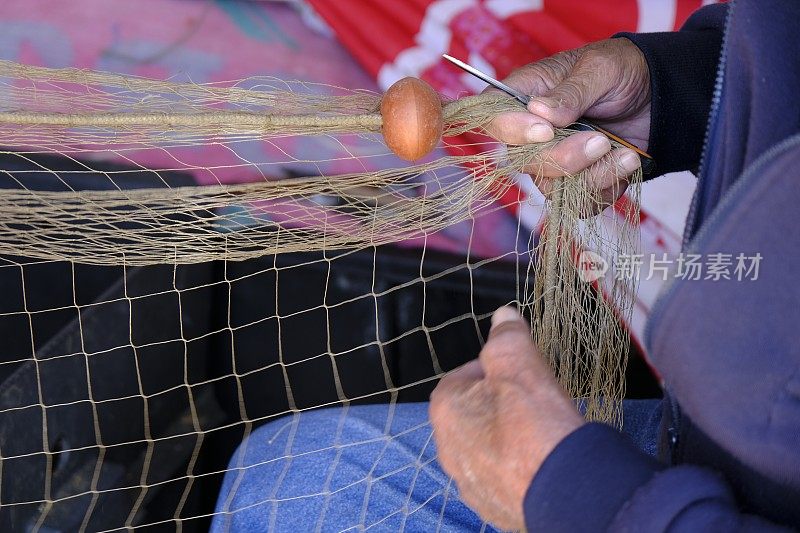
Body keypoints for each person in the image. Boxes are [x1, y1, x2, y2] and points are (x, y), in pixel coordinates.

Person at [212, 1, 800, 530]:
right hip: (730, 433)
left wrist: (575, 494)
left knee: (295, 498)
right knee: (293, 477)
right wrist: (679, 88)